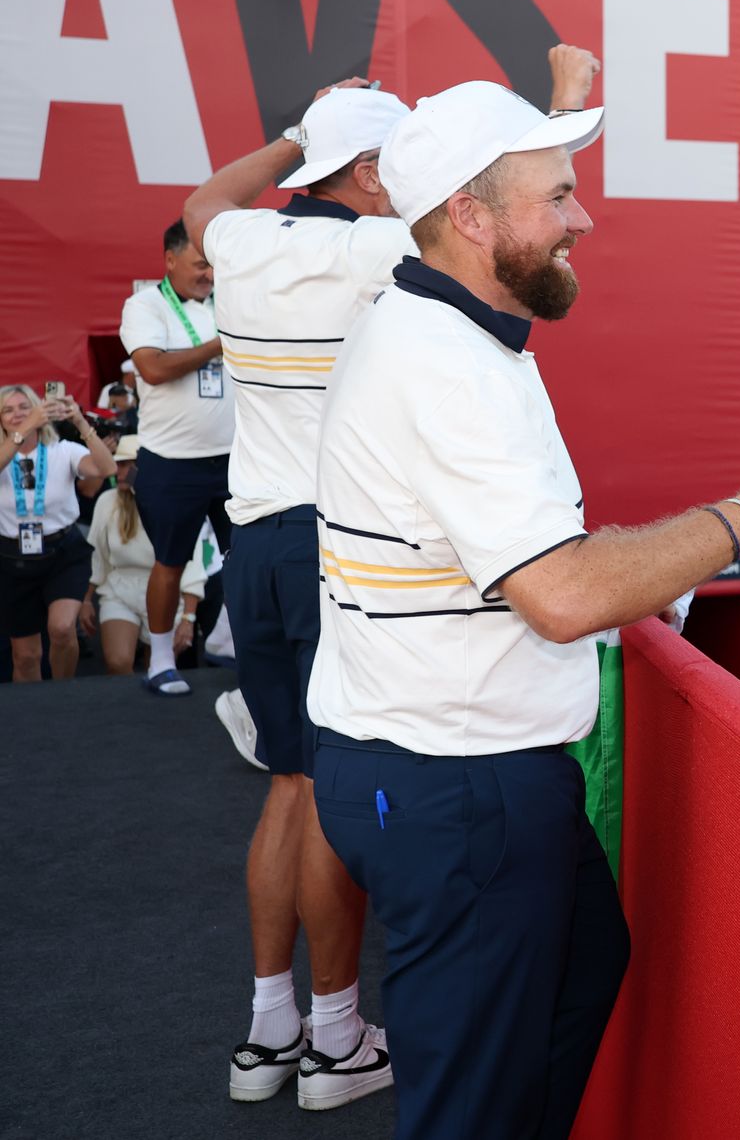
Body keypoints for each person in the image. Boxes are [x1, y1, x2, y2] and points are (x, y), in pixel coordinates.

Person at [307, 76, 740, 1140]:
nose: (582, 216)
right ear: (469, 215)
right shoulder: (447, 363)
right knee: (469, 1107)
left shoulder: (447, 328)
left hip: (444, 776)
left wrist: (654, 572)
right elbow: (558, 592)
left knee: (583, 966)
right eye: (557, 195)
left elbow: (537, 565)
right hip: (456, 793)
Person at [184, 68, 467, 1106]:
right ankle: (338, 1037)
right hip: (336, 551)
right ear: (363, 174)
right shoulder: (378, 247)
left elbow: (203, 203)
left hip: (253, 547)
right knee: (337, 791)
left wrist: (292, 132)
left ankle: (269, 1029)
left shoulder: (246, 240)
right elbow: (494, 215)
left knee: (288, 784)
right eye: (392, 164)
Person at [120, 217, 234, 694]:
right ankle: (161, 659)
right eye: (199, 264)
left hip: (234, 457)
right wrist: (219, 345)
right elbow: (152, 367)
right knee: (170, 560)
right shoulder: (145, 305)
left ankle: (237, 644)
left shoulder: (226, 303)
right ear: (169, 260)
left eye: (212, 265)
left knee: (246, 559)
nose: (208, 273)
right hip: (171, 460)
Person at [1, 386, 113, 680]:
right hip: (12, 559)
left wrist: (79, 420)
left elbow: (107, 467)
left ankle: (63, 694)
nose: (18, 414)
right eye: (8, 410)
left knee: (62, 629)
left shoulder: (62, 451)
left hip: (62, 552)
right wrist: (24, 429)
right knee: (26, 657)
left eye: (25, 407)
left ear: (39, 409)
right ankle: (33, 712)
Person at [81, 434, 204, 676]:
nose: (120, 471)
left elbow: (193, 563)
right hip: (120, 588)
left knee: (156, 669)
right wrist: (85, 600)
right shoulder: (107, 501)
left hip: (167, 592)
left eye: (129, 464)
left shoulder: (176, 502)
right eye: (119, 464)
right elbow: (96, 554)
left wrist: (189, 617)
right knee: (117, 663)